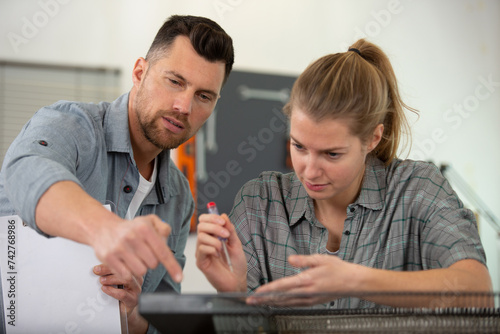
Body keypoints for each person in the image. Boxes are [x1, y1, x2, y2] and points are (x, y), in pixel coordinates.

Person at [196, 38, 492, 309]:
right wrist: (233, 292)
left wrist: (354, 281)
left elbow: (477, 291)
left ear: (373, 139)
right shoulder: (259, 203)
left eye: (331, 154)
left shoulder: (418, 189)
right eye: (299, 146)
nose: (309, 171)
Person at [0, 15, 234, 333]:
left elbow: (160, 322)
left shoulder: (179, 198)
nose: (184, 106)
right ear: (140, 72)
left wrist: (133, 314)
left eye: (204, 96)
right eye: (175, 81)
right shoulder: (71, 125)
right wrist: (106, 229)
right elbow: (26, 170)